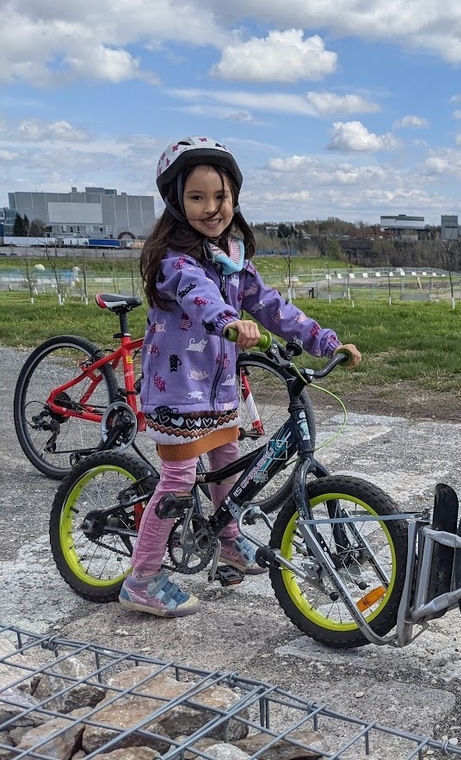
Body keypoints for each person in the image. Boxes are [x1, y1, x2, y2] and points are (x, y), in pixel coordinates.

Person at [120, 135, 361, 618]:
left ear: (235, 198)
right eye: (197, 197)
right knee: (179, 478)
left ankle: (228, 545)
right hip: (179, 390)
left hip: (220, 389)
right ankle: (142, 577)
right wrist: (230, 322)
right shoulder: (175, 260)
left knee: (227, 466)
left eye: (221, 196)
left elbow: (272, 305)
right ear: (175, 200)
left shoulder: (232, 256)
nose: (212, 207)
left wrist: (324, 340)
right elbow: (200, 296)